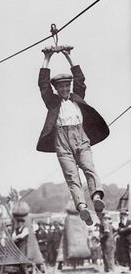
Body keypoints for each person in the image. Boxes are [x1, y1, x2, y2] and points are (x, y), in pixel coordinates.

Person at [37, 46, 109, 225]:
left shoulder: (77, 96)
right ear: (56, 89)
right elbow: (43, 84)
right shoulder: (52, 102)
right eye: (61, 87)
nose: (65, 89)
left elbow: (80, 79)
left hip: (80, 137)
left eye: (67, 85)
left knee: (89, 167)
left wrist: (69, 56)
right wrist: (47, 58)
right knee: (71, 176)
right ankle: (82, 206)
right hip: (62, 141)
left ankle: (97, 196)